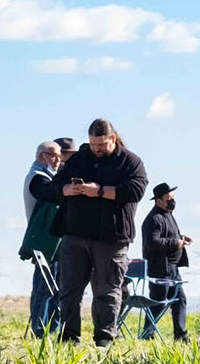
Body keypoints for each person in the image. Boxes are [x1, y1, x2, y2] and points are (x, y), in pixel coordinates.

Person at [34, 119, 149, 346]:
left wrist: (100, 191)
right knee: (69, 291)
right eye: (93, 144)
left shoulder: (131, 162)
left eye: (101, 145)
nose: (96, 150)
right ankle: (68, 339)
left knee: (107, 291)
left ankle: (104, 341)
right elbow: (57, 183)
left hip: (111, 238)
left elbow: (135, 190)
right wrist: (67, 189)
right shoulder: (79, 159)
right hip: (75, 235)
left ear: (113, 139)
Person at [21, 141, 63, 336]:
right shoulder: (38, 178)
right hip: (44, 241)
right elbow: (52, 194)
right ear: (42, 156)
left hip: (47, 241)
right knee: (44, 287)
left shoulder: (43, 176)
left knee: (49, 286)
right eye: (53, 155)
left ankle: (47, 329)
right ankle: (40, 330)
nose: (58, 159)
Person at [140, 182, 191, 341]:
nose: (172, 201)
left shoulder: (168, 215)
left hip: (173, 269)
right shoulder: (154, 218)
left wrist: (181, 238)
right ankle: (147, 334)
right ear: (158, 200)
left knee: (180, 301)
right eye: (168, 198)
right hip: (159, 269)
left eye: (172, 198)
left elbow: (169, 235)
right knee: (158, 303)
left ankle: (180, 335)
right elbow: (153, 242)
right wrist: (176, 243)